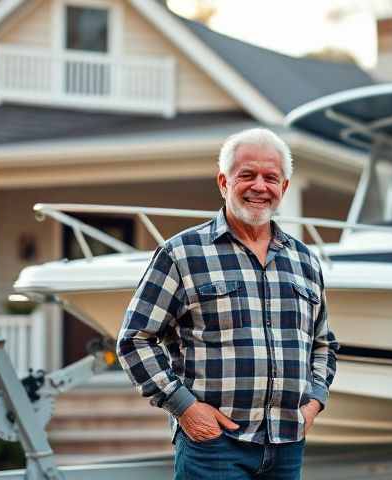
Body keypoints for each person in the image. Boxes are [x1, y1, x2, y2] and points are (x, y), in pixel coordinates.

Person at [116, 128, 339, 480]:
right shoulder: (182, 253)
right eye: (247, 175)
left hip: (287, 445)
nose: (259, 187)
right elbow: (135, 340)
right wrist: (185, 408)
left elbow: (323, 344)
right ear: (223, 182)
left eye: (271, 178)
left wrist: (312, 402)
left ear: (284, 188)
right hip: (214, 448)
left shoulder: (305, 260)